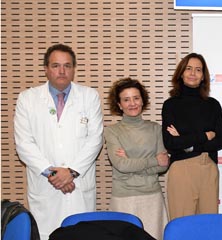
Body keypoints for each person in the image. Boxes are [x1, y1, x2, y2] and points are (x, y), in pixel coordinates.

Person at [13, 43, 103, 239]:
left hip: (78, 185)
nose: (62, 71)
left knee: (82, 234)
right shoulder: (27, 99)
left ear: (73, 69)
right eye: (55, 66)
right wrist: (54, 174)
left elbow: (95, 140)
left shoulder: (89, 96)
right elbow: (23, 144)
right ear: (46, 69)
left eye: (67, 66)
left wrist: (70, 173)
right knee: (47, 235)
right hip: (46, 187)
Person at [161, 53, 222, 219]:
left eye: (198, 70)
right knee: (182, 227)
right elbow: (170, 142)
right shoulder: (170, 105)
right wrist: (205, 136)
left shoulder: (213, 105)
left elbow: (219, 141)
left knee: (208, 227)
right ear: (181, 73)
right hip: (181, 169)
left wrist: (187, 142)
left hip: (208, 167)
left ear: (203, 76)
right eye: (188, 68)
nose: (192, 73)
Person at [104, 77, 169, 239]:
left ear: (142, 100)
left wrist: (131, 161)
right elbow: (121, 165)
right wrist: (153, 160)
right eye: (126, 100)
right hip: (124, 198)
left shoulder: (155, 129)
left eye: (136, 98)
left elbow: (164, 165)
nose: (132, 103)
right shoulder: (112, 131)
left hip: (152, 197)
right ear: (119, 104)